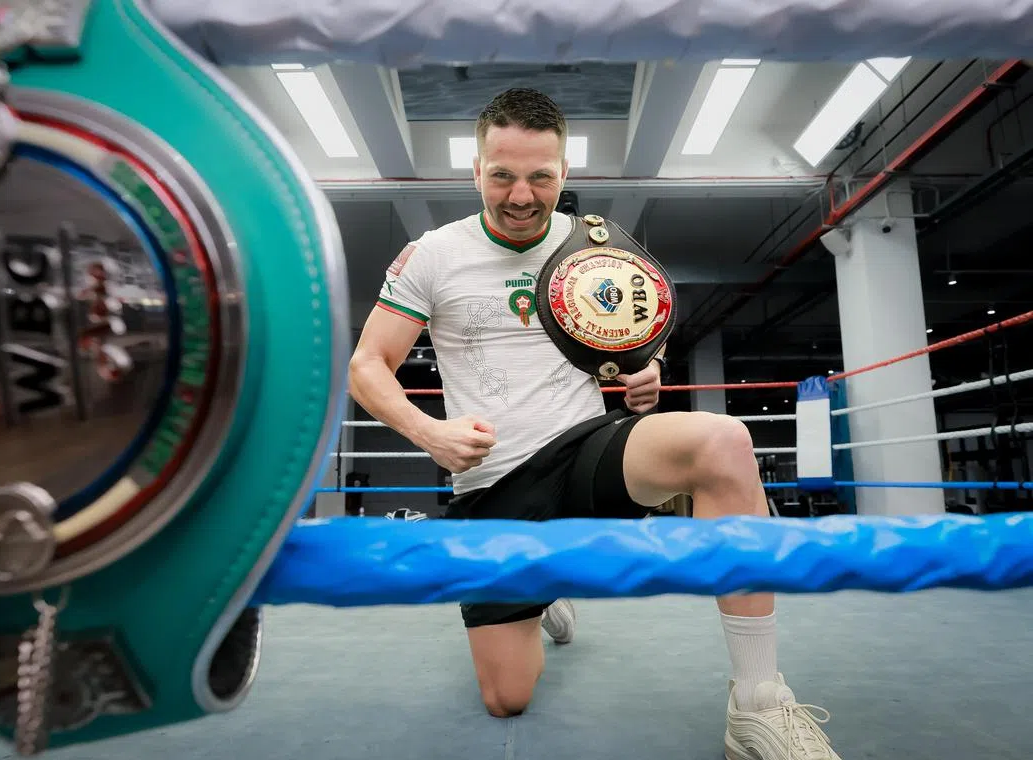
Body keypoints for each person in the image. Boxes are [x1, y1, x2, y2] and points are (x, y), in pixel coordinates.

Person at [348, 87, 841, 760]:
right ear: (475, 171)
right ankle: (547, 589)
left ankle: (758, 702)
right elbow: (368, 366)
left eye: (540, 177)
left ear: (565, 174)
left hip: (588, 452)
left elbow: (644, 328)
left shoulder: (594, 246)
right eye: (502, 176)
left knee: (724, 441)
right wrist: (428, 432)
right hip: (494, 490)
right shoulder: (434, 254)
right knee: (507, 699)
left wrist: (649, 367)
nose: (521, 195)